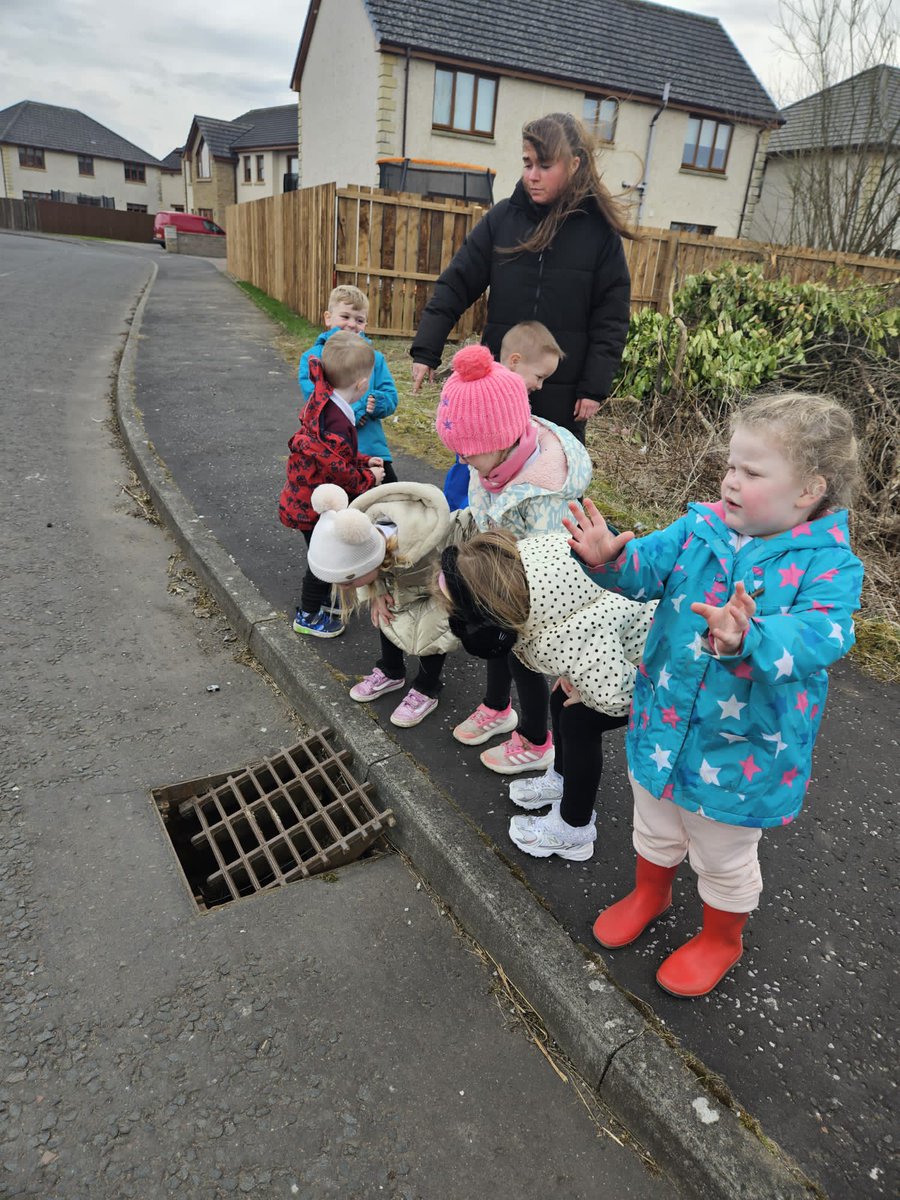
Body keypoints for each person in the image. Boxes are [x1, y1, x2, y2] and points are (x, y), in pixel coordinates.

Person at [565, 392, 864, 996]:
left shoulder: (829, 565)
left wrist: (749, 638)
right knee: (654, 819)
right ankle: (651, 892)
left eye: (752, 472)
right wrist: (610, 561)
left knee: (722, 851)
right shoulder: (699, 527)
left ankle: (722, 937)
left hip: (741, 749)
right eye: (731, 465)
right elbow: (645, 568)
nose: (730, 480)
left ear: (808, 490)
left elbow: (822, 636)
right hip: (663, 718)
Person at [411, 112, 632, 438]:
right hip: (501, 382)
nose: (532, 175)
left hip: (563, 394)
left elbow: (611, 317)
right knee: (490, 472)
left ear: (574, 164)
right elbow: (457, 282)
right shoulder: (503, 219)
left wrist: (594, 387)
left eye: (545, 166)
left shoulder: (599, 234)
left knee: (552, 480)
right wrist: (426, 349)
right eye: (528, 164)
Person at [438, 529, 654, 861]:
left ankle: (573, 830)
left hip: (662, 667)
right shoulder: (527, 570)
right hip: (627, 637)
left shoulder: (561, 634)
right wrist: (578, 676)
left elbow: (616, 694)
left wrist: (591, 692)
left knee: (582, 722)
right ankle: (563, 779)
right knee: (560, 701)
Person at [435, 343, 592, 774]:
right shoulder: (491, 463)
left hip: (531, 595)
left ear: (500, 438)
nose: (462, 459)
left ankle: (536, 741)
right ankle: (497, 707)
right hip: (499, 575)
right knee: (499, 651)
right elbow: (481, 505)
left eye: (467, 451)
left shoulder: (542, 492)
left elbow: (547, 567)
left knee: (524, 659)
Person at [305, 482, 468, 727]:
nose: (348, 589)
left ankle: (426, 688)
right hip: (402, 579)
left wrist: (445, 599)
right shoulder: (368, 543)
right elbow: (369, 571)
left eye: (350, 583)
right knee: (385, 613)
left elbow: (446, 569)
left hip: (440, 584)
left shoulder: (422, 543)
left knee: (434, 632)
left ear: (367, 565)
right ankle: (392, 671)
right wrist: (377, 591)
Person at [278, 331, 385, 638]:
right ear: (363, 384)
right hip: (314, 505)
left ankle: (325, 603)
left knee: (326, 552)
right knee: (322, 559)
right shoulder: (338, 419)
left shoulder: (324, 400)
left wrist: (364, 460)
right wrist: (369, 477)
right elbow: (340, 469)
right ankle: (308, 615)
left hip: (309, 495)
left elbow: (336, 455)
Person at [441, 321, 564, 512]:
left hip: (491, 474)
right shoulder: (489, 391)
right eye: (539, 377)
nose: (540, 386)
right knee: (464, 488)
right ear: (515, 361)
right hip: (477, 466)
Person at [299, 284, 400, 484]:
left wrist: (377, 403)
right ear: (328, 318)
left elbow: (390, 394)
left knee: (390, 499)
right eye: (345, 317)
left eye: (359, 320)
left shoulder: (375, 359)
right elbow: (315, 398)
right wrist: (355, 410)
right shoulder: (314, 357)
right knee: (339, 504)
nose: (352, 324)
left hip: (370, 447)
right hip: (331, 449)